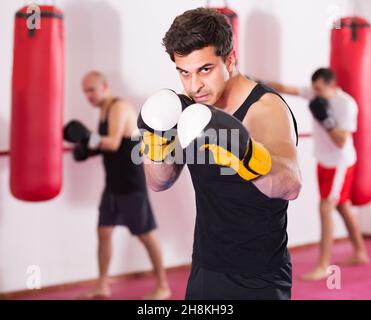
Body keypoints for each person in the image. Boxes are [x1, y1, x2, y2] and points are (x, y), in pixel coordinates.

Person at [138, 8, 301, 299]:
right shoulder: (187, 109)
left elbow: (290, 185)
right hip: (205, 268)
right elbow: (159, 182)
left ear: (230, 59)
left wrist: (244, 153)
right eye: (183, 73)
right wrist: (156, 140)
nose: (194, 85)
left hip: (259, 276)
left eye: (205, 69)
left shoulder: (264, 108)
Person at [64, 71, 171, 299]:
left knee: (145, 235)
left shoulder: (119, 108)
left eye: (92, 90)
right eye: (85, 91)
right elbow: (110, 144)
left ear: (105, 87)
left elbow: (112, 143)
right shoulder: (104, 110)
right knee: (103, 232)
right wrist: (88, 148)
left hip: (130, 183)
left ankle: (163, 285)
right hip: (112, 182)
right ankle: (103, 285)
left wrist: (87, 138)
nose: (89, 96)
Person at [268, 68, 369, 281]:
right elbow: (288, 89)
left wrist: (326, 119)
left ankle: (323, 265)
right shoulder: (315, 93)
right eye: (314, 89)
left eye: (320, 89)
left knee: (325, 207)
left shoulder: (346, 104)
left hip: (339, 163)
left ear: (331, 86)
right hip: (323, 161)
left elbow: (341, 140)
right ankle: (360, 252)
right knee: (341, 205)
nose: (315, 93)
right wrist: (256, 82)